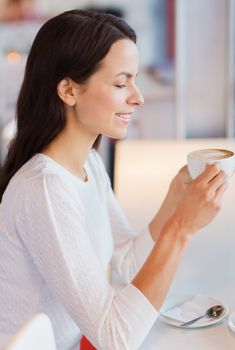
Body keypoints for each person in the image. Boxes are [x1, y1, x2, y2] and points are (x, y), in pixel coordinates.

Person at [0, 9, 228, 350]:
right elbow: (115, 338)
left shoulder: (87, 163)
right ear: (68, 90)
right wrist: (182, 227)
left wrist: (173, 204)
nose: (137, 97)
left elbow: (124, 263)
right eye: (121, 83)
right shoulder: (44, 189)